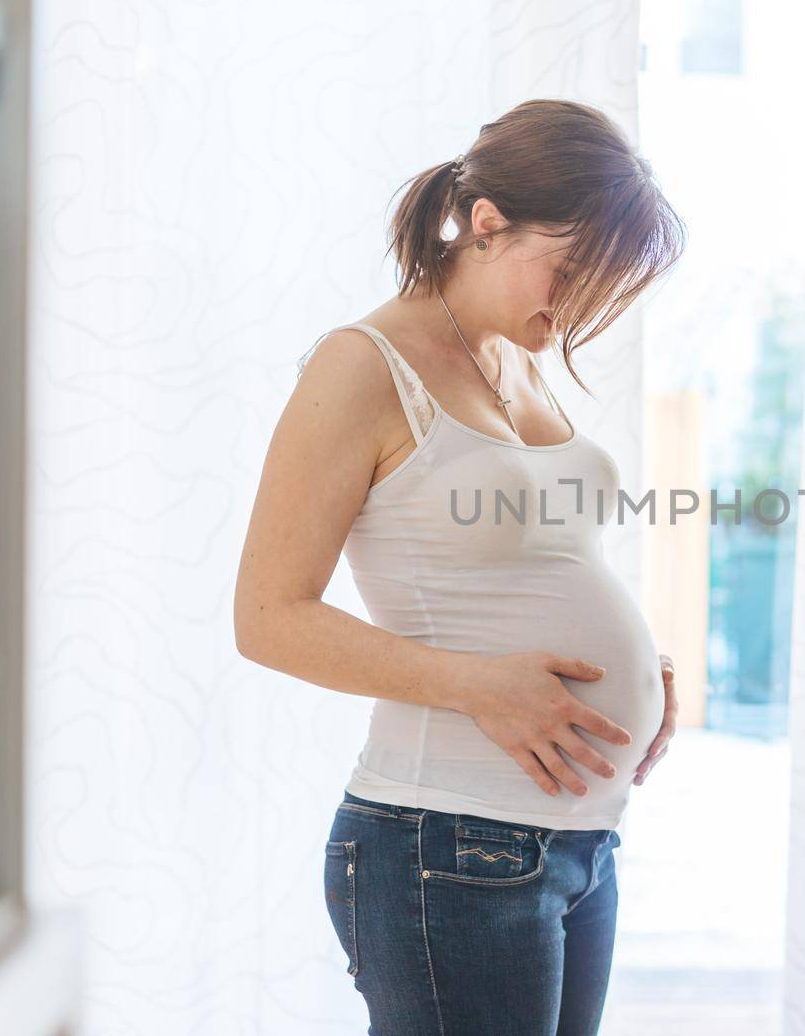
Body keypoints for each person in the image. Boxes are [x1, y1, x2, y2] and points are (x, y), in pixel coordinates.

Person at [233, 98, 688, 1034]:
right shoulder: (363, 364)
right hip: (446, 841)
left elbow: (532, 560)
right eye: (570, 271)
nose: (579, 309)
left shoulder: (520, 359)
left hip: (581, 843)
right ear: (487, 223)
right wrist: (482, 685)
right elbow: (267, 615)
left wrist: (646, 672)